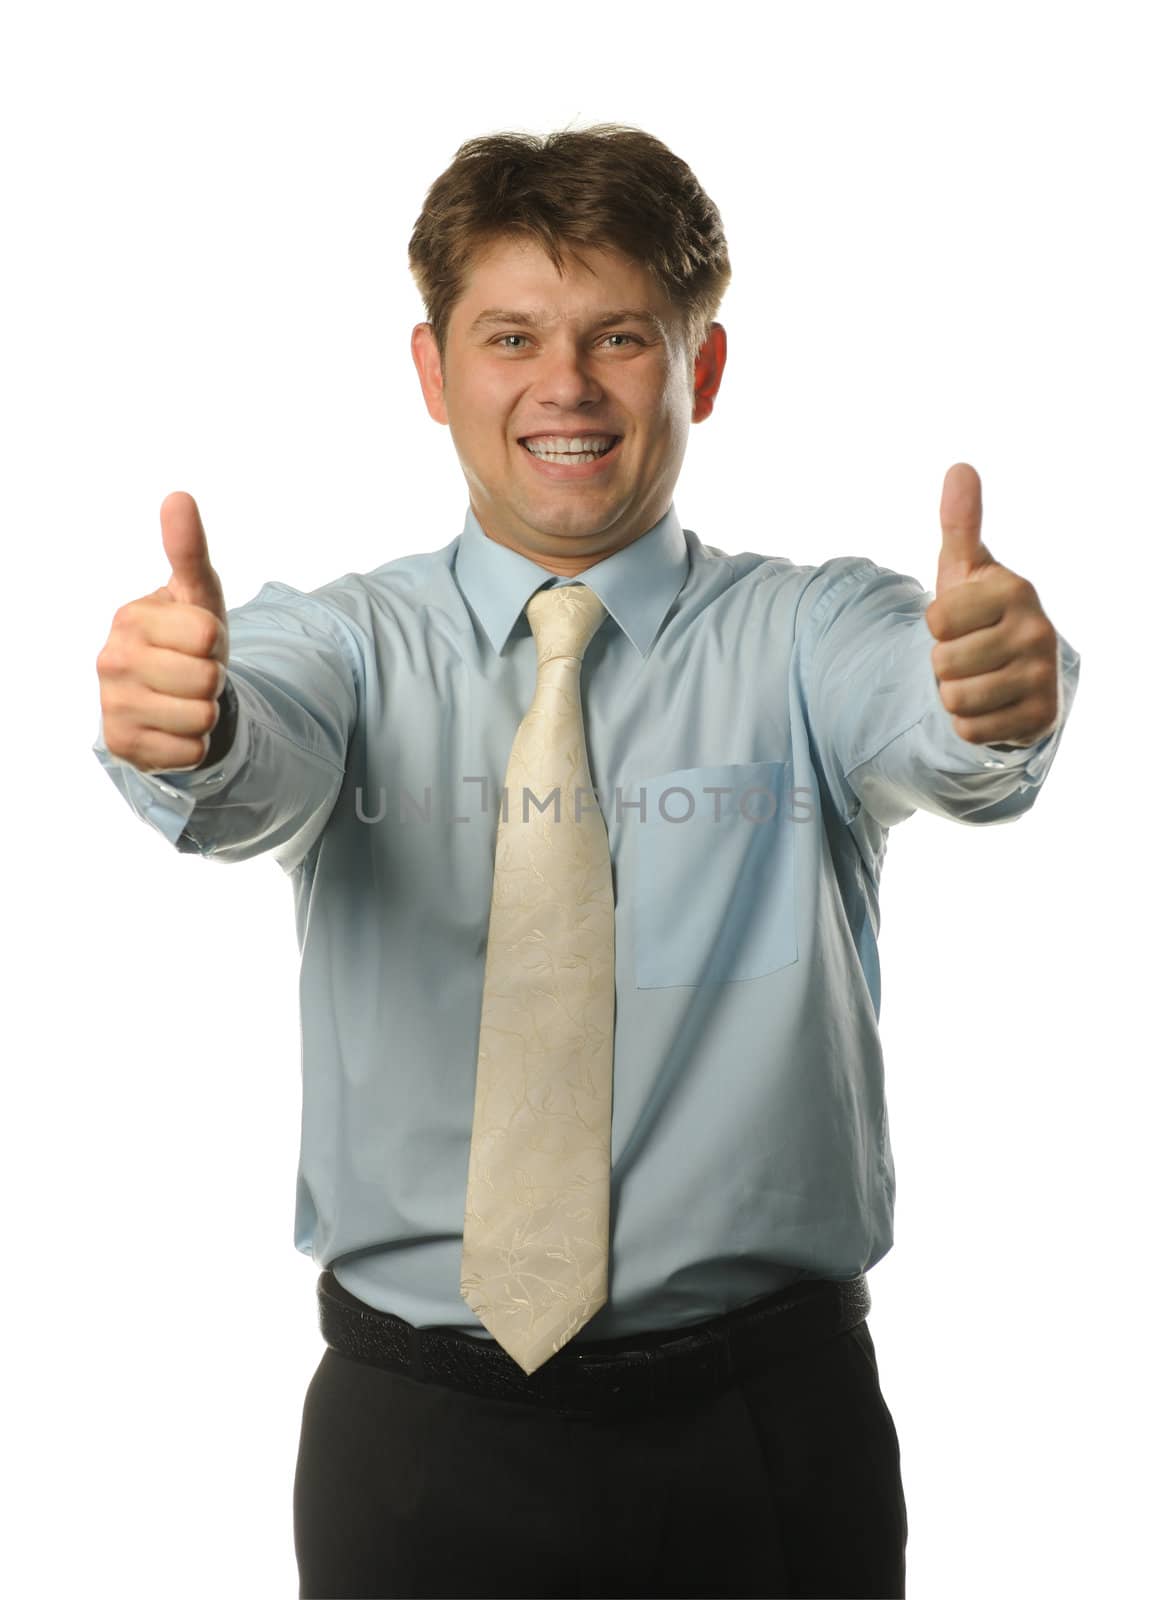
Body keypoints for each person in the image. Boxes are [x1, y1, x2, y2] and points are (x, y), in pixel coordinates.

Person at [92, 122, 1081, 1599]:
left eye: (621, 336)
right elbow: (255, 756)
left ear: (703, 369)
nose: (565, 386)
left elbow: (934, 717)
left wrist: (996, 694)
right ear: (433, 374)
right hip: (416, 1443)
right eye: (511, 337)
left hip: (768, 1435)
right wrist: (190, 725)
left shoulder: (812, 635)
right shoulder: (344, 646)